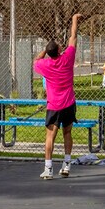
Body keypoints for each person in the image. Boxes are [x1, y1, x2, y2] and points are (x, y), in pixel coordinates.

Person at [33, 13, 82, 180]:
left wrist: (45, 51)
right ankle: (66, 165)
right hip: (69, 104)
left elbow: (36, 60)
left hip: (54, 105)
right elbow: (73, 37)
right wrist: (75, 19)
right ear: (60, 51)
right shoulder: (68, 58)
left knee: (50, 136)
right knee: (67, 133)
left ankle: (48, 168)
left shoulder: (44, 64)